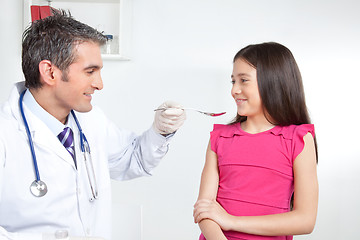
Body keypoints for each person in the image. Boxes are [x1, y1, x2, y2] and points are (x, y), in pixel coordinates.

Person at [0, 10, 186, 240]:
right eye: (90, 71)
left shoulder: (91, 120)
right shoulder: (6, 134)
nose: (99, 84)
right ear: (49, 72)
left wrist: (160, 131)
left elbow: (132, 160)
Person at [193, 42, 318, 240]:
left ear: (274, 82)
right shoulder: (220, 138)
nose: (234, 90)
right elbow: (204, 210)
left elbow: (305, 220)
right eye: (233, 81)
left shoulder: (299, 140)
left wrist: (231, 221)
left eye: (243, 80)